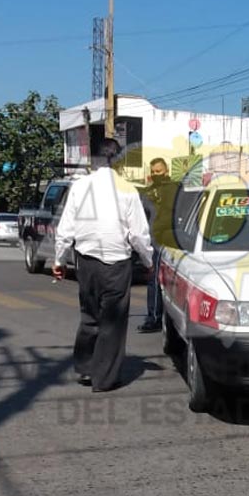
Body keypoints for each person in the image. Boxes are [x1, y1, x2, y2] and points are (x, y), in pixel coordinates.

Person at [52, 138, 154, 392]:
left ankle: (86, 369)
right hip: (117, 263)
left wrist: (58, 260)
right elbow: (139, 235)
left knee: (90, 315)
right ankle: (104, 379)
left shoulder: (79, 186)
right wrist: (148, 261)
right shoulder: (128, 189)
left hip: (85, 261)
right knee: (113, 321)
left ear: (93, 160)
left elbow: (66, 229)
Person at [137, 157, 180, 333]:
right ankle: (154, 317)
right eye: (153, 171)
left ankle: (164, 319)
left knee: (171, 282)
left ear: (166, 170)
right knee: (154, 280)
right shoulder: (147, 192)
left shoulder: (175, 189)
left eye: (159, 171)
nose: (156, 175)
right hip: (153, 241)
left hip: (172, 241)